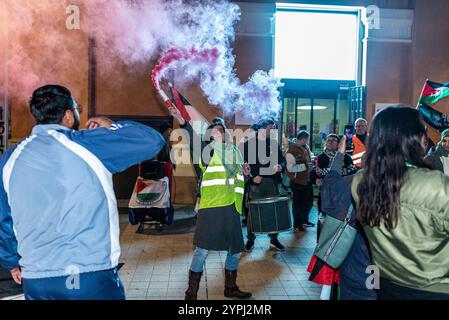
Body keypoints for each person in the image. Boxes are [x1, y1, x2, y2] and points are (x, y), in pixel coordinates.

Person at [0, 84, 165, 300]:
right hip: (88, 275)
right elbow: (152, 140)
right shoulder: (88, 145)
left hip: (36, 278)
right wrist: (111, 126)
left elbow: (3, 218)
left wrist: (12, 262)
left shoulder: (10, 159)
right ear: (68, 116)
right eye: (77, 108)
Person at [353, 105, 449, 300]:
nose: (426, 137)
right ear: (415, 137)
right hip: (436, 288)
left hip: (388, 282)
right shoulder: (436, 184)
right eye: (423, 131)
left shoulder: (361, 182)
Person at [168, 106, 252, 300]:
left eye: (221, 129)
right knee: (202, 250)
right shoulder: (206, 151)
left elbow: (238, 181)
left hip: (233, 206)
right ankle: (191, 293)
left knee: (236, 249)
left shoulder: (235, 153)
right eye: (214, 129)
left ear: (225, 133)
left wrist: (245, 174)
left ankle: (230, 288)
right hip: (212, 206)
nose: (217, 131)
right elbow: (191, 138)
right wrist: (182, 121)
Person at [307, 135, 377, 300]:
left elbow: (330, 188)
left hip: (357, 259)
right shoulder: (404, 183)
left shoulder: (356, 182)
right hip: (389, 266)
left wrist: (339, 156)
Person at [241, 118, 286, 252]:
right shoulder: (249, 144)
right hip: (256, 184)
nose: (272, 131)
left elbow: (283, 161)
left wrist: (280, 166)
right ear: (261, 129)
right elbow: (243, 164)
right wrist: (253, 177)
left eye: (273, 128)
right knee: (253, 213)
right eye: (270, 128)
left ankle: (273, 239)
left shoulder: (273, 144)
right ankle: (250, 239)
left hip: (271, 182)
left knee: (273, 211)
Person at [286, 131, 314, 232]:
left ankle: (304, 220)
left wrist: (311, 162)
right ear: (304, 139)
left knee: (308, 202)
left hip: (307, 179)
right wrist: (305, 166)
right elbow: (289, 169)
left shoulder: (305, 147)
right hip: (298, 181)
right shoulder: (291, 151)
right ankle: (297, 224)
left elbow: (308, 159)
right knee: (298, 204)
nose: (308, 141)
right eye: (307, 139)